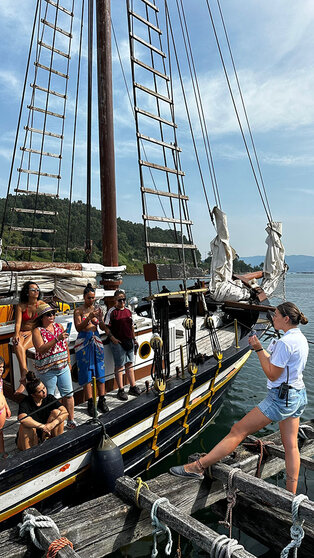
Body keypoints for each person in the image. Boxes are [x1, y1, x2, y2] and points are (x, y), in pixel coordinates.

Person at [170, 302, 309, 494]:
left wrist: (259, 351)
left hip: (281, 398)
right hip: (297, 394)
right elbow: (279, 365)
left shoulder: (285, 342)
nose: (273, 318)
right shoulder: (299, 338)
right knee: (291, 445)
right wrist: (260, 347)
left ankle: (198, 467)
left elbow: (272, 375)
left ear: (286, 318)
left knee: (237, 430)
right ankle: (291, 494)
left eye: (276, 315)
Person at [32, 303, 77, 429]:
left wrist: (68, 362)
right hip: (47, 370)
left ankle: (71, 420)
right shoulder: (37, 331)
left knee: (68, 394)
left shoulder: (59, 326)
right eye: (48, 314)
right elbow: (40, 349)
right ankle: (48, 425)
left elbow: (65, 346)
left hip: (63, 367)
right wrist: (57, 339)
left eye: (53, 313)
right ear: (41, 317)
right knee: (48, 398)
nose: (52, 316)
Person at [74, 284, 109, 416]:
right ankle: (90, 402)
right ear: (84, 297)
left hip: (95, 340)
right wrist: (88, 318)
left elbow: (100, 326)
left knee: (100, 370)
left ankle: (102, 399)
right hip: (83, 341)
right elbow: (78, 328)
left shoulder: (97, 309)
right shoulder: (78, 311)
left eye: (93, 298)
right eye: (89, 298)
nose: (91, 300)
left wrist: (100, 320)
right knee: (86, 372)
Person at [104, 289, 141, 401]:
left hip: (128, 340)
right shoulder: (112, 312)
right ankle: (120, 390)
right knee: (119, 366)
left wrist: (134, 339)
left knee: (129, 364)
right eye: (120, 300)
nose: (122, 302)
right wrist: (112, 338)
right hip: (117, 342)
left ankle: (132, 386)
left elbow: (131, 326)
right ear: (115, 301)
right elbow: (105, 327)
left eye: (124, 300)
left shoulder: (128, 311)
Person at [17, 371, 68, 450]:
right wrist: (42, 426)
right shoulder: (25, 402)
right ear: (33, 395)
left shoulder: (49, 398)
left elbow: (65, 412)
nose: (44, 392)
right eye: (40, 391)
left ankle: (56, 445)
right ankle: (30, 455)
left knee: (57, 413)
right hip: (30, 437)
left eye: (44, 387)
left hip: (45, 433)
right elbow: (22, 419)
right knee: (25, 426)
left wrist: (52, 424)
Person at [12, 281, 44, 394]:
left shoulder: (41, 304)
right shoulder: (21, 306)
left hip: (34, 332)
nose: (36, 291)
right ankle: (24, 376)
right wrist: (16, 334)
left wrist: (32, 332)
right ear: (27, 292)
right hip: (22, 331)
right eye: (33, 290)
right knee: (17, 344)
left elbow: (46, 320)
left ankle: (23, 379)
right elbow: (17, 323)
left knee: (21, 348)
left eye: (37, 289)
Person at [0, 357, 11, 459]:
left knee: (1, 432)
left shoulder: (1, 380)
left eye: (2, 367)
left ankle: (2, 452)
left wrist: (7, 407)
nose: (1, 369)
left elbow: (2, 394)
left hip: (2, 409)